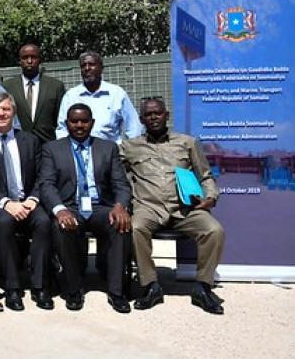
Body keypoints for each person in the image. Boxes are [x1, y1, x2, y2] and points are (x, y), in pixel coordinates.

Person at [121, 98, 225, 314]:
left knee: (214, 231)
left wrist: (211, 198)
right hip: (148, 208)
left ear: (166, 115)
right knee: (136, 228)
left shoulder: (187, 143)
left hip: (184, 208)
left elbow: (205, 176)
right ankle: (150, 286)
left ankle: (203, 287)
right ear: (141, 120)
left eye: (158, 113)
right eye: (148, 115)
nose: (153, 117)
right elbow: (115, 176)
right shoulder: (130, 147)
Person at [39, 103, 133, 313]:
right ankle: (73, 289)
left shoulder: (108, 148)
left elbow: (121, 184)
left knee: (120, 224)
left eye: (84, 121)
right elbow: (46, 184)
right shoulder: (52, 149)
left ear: (92, 123)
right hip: (70, 206)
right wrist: (59, 209)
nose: (79, 125)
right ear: (67, 123)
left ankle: (116, 291)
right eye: (74, 121)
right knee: (62, 227)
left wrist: (120, 206)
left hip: (101, 206)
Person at [0, 92, 53, 311]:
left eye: (6, 109)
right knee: (5, 222)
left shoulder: (30, 140)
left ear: (13, 112)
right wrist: (6, 203)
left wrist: (33, 199)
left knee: (43, 222)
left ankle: (40, 286)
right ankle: (13, 288)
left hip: (28, 202)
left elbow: (43, 175)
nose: (1, 113)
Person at [56, 51, 141, 143]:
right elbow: (62, 129)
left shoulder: (116, 94)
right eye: (83, 65)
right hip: (78, 153)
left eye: (91, 64)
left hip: (110, 153)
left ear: (101, 68)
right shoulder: (71, 96)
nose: (87, 68)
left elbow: (134, 126)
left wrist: (131, 150)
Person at [3, 43, 65, 144]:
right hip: (18, 145)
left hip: (47, 145)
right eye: (25, 57)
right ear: (19, 61)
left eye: (33, 57)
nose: (29, 61)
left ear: (40, 60)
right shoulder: (8, 87)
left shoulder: (55, 86)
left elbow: (60, 120)